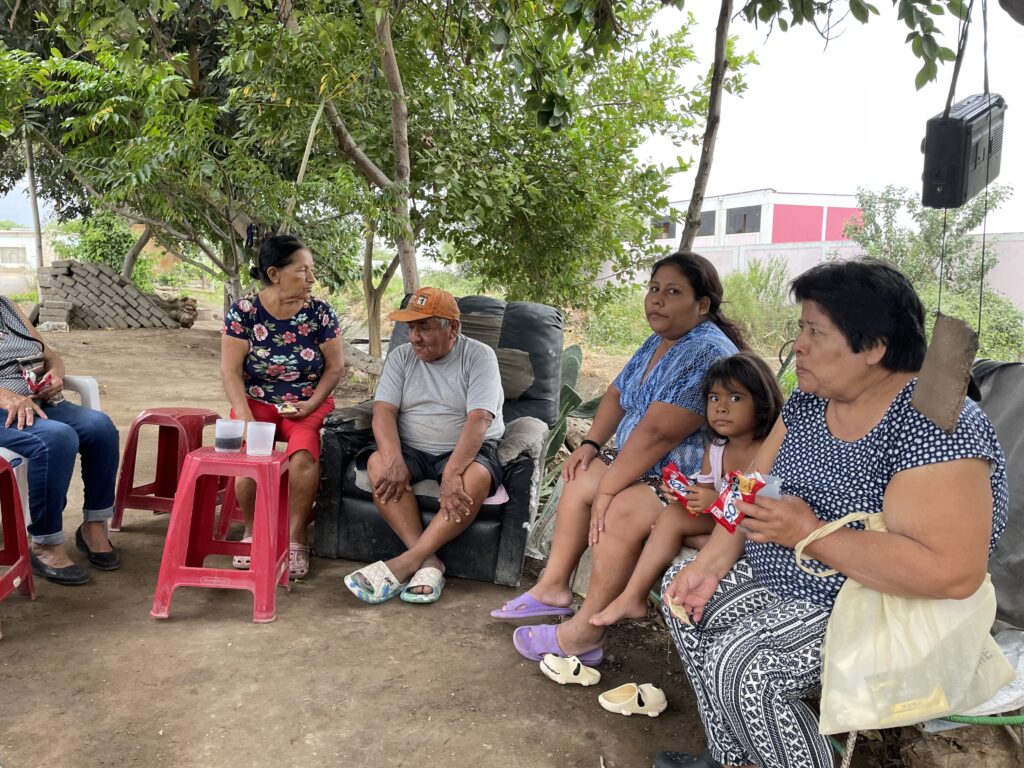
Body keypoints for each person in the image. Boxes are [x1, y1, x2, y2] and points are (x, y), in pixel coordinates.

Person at [655, 259, 1008, 768]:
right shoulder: (809, 401)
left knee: (748, 667)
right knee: (684, 597)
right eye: (801, 328)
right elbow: (750, 484)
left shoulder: (930, 421)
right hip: (791, 579)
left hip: (869, 603)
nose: (798, 345)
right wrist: (709, 564)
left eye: (815, 332)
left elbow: (951, 572)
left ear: (874, 347)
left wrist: (807, 532)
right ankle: (734, 758)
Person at [492, 252, 745, 665]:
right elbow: (615, 393)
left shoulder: (707, 351)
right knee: (579, 474)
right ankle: (553, 588)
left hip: (686, 478)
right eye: (654, 289)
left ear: (702, 304)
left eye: (673, 292)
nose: (657, 299)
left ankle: (586, 632)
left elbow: (660, 432)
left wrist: (610, 489)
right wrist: (591, 444)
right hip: (642, 462)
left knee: (621, 510)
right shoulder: (661, 340)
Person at [590, 352, 783, 627]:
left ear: (762, 405)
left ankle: (697, 544)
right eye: (714, 398)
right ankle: (633, 597)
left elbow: (759, 506)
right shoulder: (716, 448)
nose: (721, 407)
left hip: (752, 526)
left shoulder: (769, 451)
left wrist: (714, 500)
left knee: (680, 529)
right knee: (671, 516)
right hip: (720, 523)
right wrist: (687, 495)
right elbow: (702, 494)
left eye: (735, 398)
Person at [343, 286, 504, 605]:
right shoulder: (401, 357)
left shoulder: (479, 356)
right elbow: (383, 411)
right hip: (412, 446)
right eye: (411, 328)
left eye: (425, 327)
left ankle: (405, 563)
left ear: (453, 328)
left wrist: (453, 472)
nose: (415, 337)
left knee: (476, 478)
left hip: (463, 449)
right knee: (378, 464)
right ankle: (429, 561)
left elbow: (479, 419)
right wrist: (393, 459)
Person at [221, 235, 344, 579]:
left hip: (308, 400)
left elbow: (335, 367)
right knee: (250, 454)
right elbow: (230, 371)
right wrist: (246, 419)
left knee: (303, 453)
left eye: (311, 270)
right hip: (256, 400)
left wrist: (311, 403)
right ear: (274, 274)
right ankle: (252, 530)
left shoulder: (320, 313)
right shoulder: (244, 312)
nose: (311, 279)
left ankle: (296, 535)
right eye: (303, 271)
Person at [0, 296, 120, 585]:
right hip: (6, 412)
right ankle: (45, 543)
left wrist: (55, 375)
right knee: (56, 438)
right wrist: (6, 396)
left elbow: (50, 356)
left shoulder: (7, 307)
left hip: (39, 402)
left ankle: (94, 526)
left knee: (100, 428)